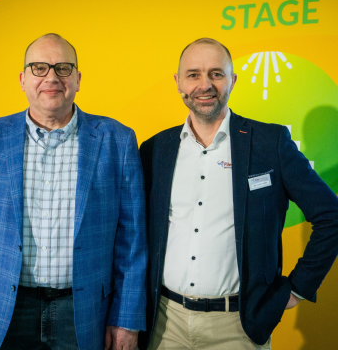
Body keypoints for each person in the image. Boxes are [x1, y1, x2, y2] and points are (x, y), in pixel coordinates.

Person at [0, 33, 147, 350]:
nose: (51, 77)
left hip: (84, 312)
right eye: (39, 68)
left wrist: (126, 319)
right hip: (2, 309)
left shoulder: (117, 140)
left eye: (63, 68)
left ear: (78, 79)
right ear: (22, 80)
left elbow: (132, 240)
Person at [138, 38, 338, 349]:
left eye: (216, 74)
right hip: (165, 323)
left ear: (232, 80)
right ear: (178, 82)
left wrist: (298, 288)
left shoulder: (270, 143)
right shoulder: (155, 149)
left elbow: (331, 216)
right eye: (193, 74)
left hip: (238, 327)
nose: (205, 85)